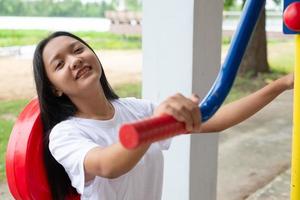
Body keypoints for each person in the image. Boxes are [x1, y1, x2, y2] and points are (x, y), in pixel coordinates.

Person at [33, 31, 294, 200]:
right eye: (59, 64)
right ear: (54, 88)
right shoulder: (65, 134)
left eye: (77, 50)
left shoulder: (133, 109)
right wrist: (154, 124)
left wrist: (280, 85)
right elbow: (108, 166)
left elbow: (215, 120)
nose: (74, 60)